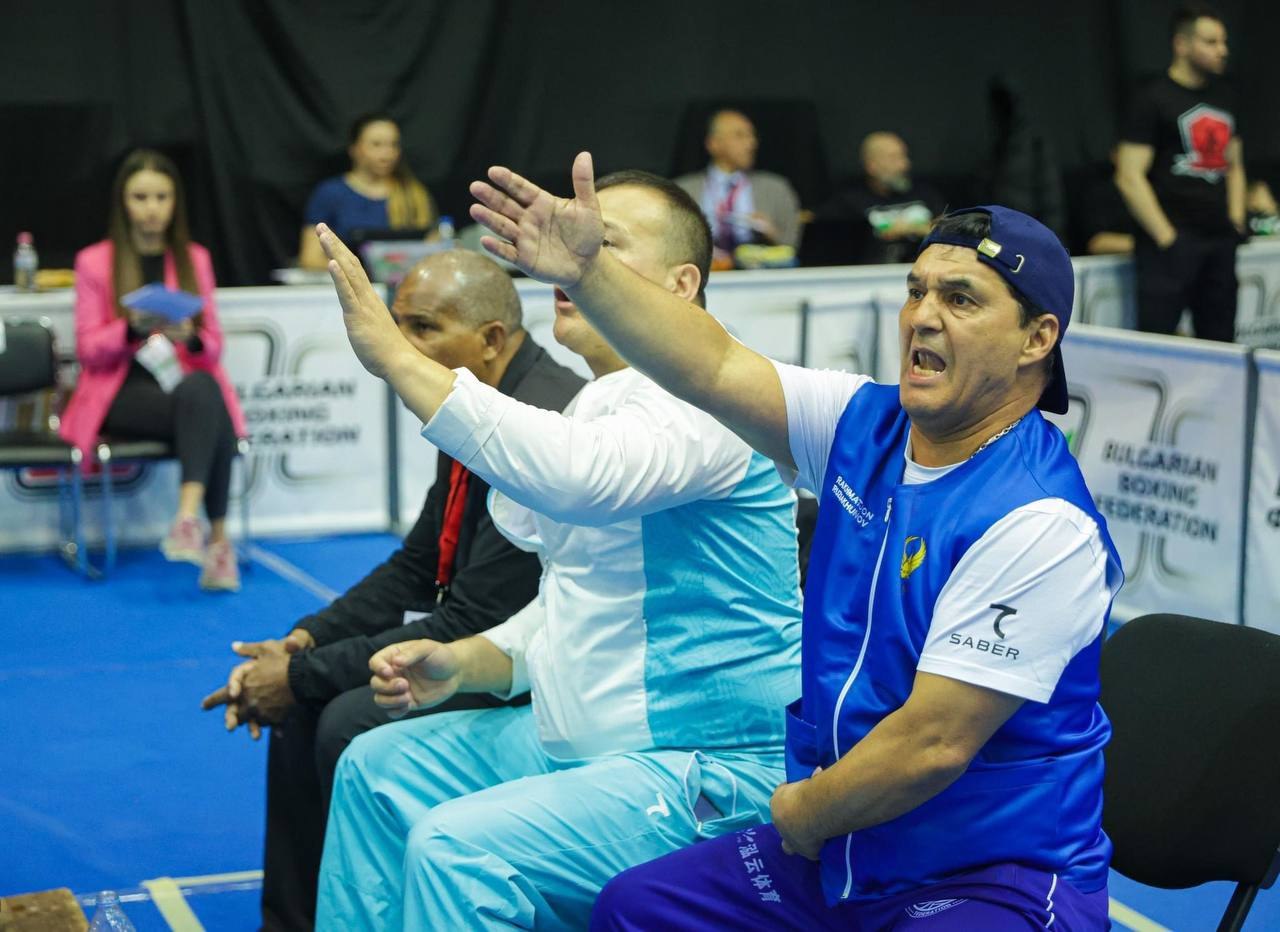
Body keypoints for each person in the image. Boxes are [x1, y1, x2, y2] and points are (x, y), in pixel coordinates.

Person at [470, 153, 1124, 930]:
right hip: (848, 845)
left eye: (960, 299)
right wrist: (589, 275)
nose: (922, 316)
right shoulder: (862, 423)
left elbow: (933, 745)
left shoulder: (1040, 521)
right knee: (637, 908)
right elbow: (713, 364)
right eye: (915, 290)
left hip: (987, 873)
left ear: (1037, 339)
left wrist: (804, 812)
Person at [313, 169, 803, 930]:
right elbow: (575, 593)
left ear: (681, 285)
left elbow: (574, 477)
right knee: (377, 770)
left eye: (602, 245)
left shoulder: (714, 396)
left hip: (701, 764)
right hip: (585, 742)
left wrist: (397, 356)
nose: (570, 262)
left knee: (459, 851)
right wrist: (470, 661)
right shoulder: (601, 398)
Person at [199, 251, 583, 932]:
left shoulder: (535, 418)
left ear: (491, 338)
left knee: (343, 717)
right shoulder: (470, 399)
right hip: (483, 639)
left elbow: (472, 620)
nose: (397, 346)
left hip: (532, 666)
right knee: (305, 704)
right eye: (397, 323)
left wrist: (300, 675)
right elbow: (416, 567)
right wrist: (304, 641)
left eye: (422, 327)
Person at [60, 149, 247, 591]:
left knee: (204, 391)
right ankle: (217, 542)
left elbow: (213, 346)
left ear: (175, 202)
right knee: (211, 410)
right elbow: (88, 350)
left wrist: (191, 337)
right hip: (119, 392)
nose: (152, 209)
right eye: (140, 197)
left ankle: (188, 519)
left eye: (162, 197)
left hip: (180, 388)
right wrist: (130, 328)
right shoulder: (94, 261)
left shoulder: (194, 258)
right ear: (123, 202)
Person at [1116, 2, 1245, 340]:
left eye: (1223, 42)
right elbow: (1129, 176)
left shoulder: (1226, 95)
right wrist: (1167, 238)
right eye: (1211, 42)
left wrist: (1235, 219)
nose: (1222, 50)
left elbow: (1234, 164)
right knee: (1158, 345)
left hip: (1218, 241)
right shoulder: (1152, 97)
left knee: (1221, 344)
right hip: (1170, 243)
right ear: (1182, 44)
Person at [297, 113, 436, 270]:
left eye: (393, 145)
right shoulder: (330, 193)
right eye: (376, 144)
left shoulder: (414, 194)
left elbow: (433, 250)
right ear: (354, 148)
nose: (387, 154)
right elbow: (310, 258)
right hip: (352, 280)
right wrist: (359, 272)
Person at [675, 110, 801, 263]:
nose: (751, 143)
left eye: (752, 136)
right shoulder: (682, 190)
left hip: (761, 271)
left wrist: (771, 233)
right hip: (705, 270)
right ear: (713, 144)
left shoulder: (776, 188)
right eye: (739, 135)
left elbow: (792, 246)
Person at [813, 132, 946, 264]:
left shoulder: (924, 193)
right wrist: (883, 233)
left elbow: (949, 229)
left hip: (925, 267)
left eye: (904, 157)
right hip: (871, 271)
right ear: (871, 166)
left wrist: (915, 229)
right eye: (894, 158)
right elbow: (827, 240)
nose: (904, 165)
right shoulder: (848, 202)